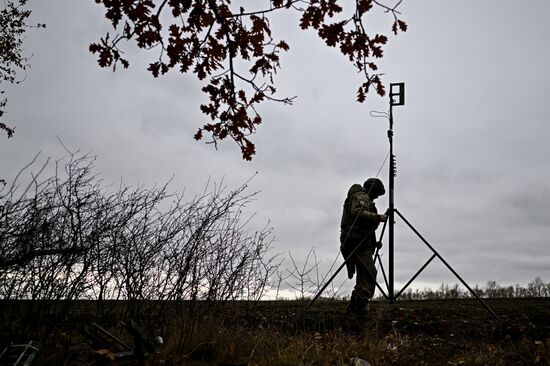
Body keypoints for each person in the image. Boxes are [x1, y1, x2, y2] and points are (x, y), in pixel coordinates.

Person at [340, 178, 387, 317]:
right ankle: (358, 309)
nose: (377, 197)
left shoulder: (367, 200)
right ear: (372, 189)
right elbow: (357, 214)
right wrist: (378, 217)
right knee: (369, 272)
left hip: (361, 242)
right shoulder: (361, 196)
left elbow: (367, 228)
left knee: (364, 275)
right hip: (355, 242)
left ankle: (355, 310)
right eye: (377, 193)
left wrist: (374, 243)